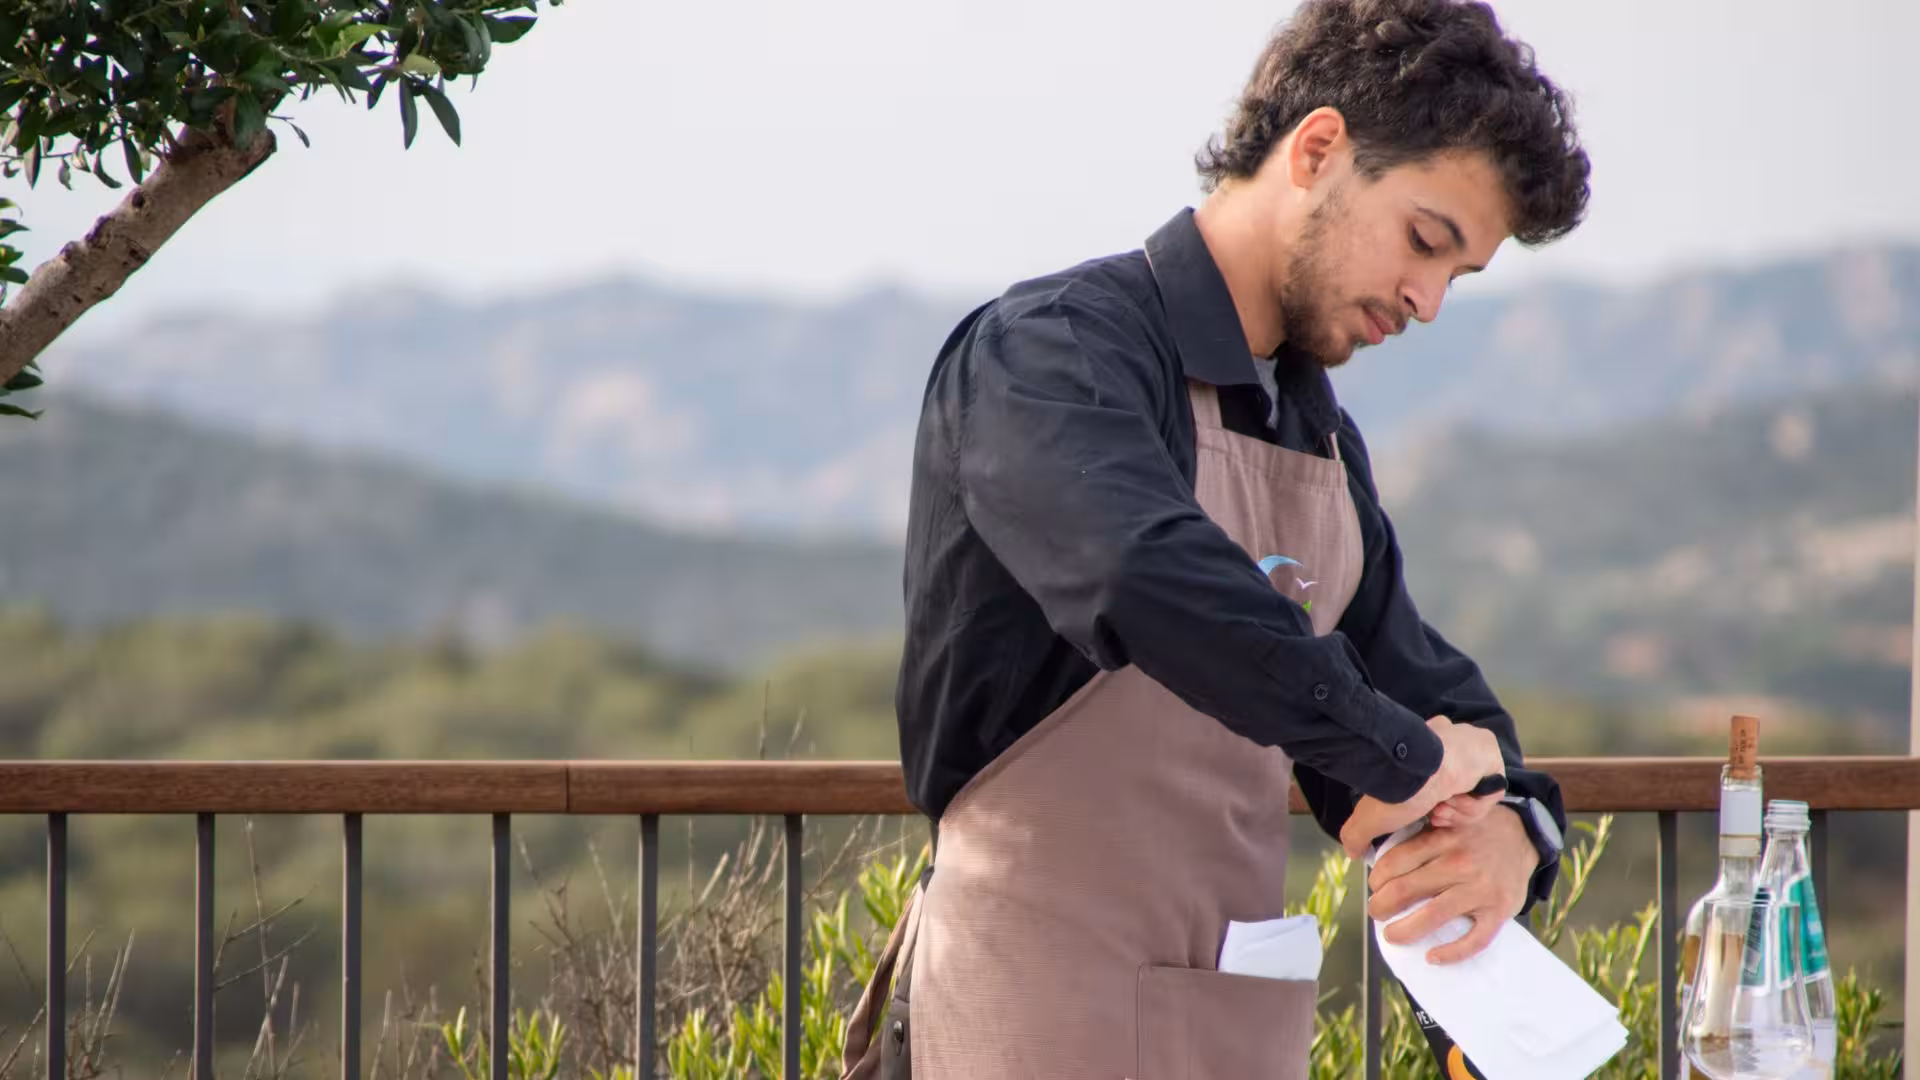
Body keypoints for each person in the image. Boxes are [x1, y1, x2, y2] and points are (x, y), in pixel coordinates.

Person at [841, 1, 1591, 1076]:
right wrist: (1410, 758)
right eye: (1426, 240)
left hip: (1233, 1025)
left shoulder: (1320, 439)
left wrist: (1518, 825)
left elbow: (1428, 693)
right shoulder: (1048, 353)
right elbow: (1149, 575)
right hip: (1027, 1013)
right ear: (1319, 149)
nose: (1428, 301)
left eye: (1458, 277)